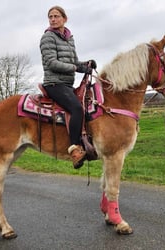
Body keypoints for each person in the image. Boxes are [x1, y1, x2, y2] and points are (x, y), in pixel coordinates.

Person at [40, 6, 97, 169]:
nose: (53, 19)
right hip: (54, 83)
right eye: (50, 16)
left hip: (66, 84)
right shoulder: (48, 37)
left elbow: (74, 62)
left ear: (65, 19)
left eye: (56, 16)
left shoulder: (69, 38)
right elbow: (51, 63)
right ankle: (74, 149)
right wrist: (74, 68)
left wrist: (86, 65)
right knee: (77, 108)